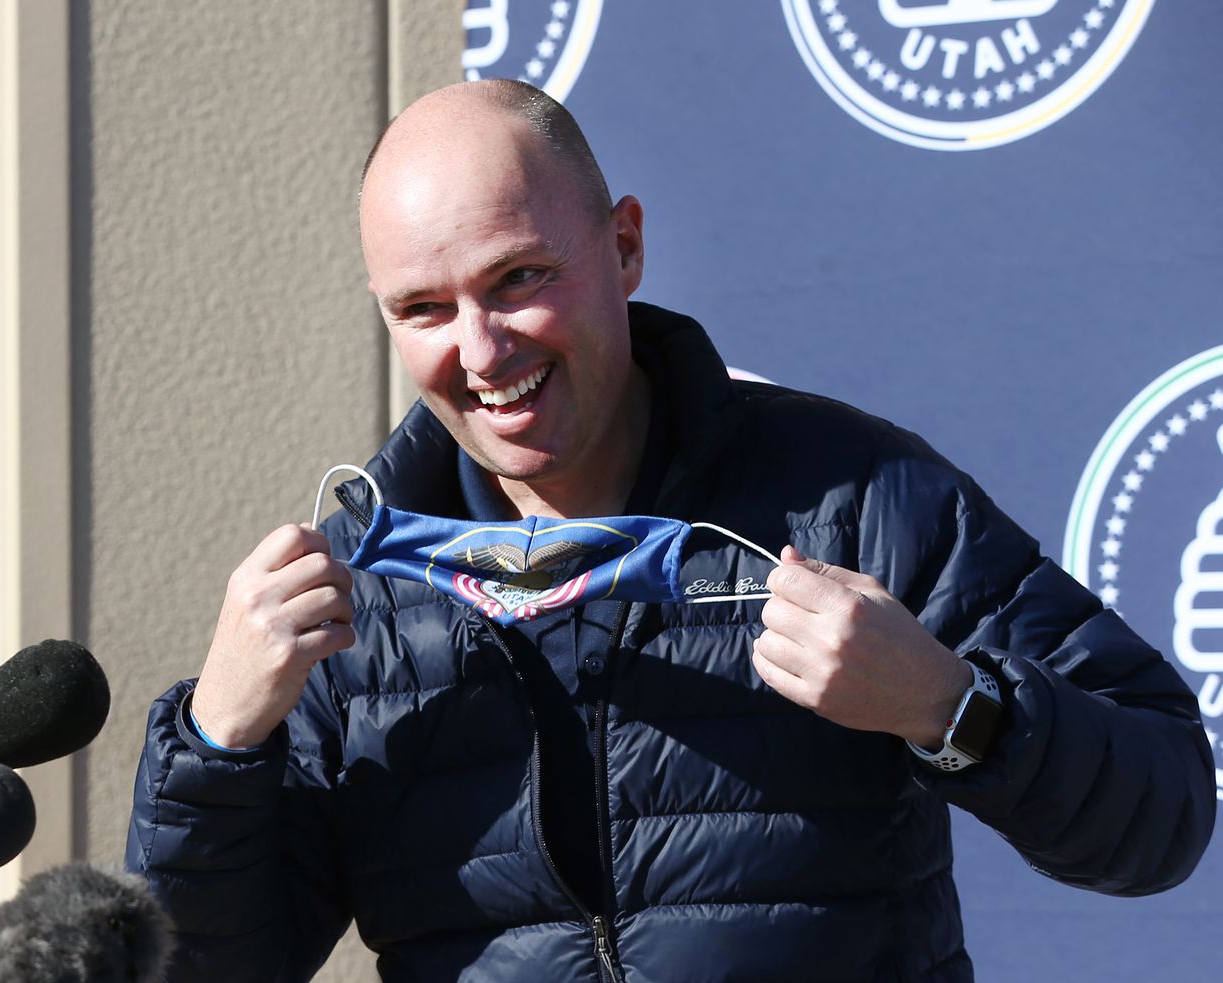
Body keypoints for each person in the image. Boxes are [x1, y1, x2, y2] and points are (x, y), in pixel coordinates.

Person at [127, 80, 1215, 982]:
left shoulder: (846, 494)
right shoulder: (356, 596)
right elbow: (199, 969)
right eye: (423, 307)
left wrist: (944, 704)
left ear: (625, 246)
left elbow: (1159, 812)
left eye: (519, 279)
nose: (481, 348)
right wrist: (217, 741)